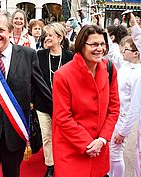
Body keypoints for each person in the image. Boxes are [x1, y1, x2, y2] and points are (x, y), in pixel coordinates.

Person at [0, 7, 52, 177]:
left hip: (15, 132)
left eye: (0, 30)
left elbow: (42, 90)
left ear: (11, 31)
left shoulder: (28, 55)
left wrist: (59, 115)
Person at [52, 25, 120, 177]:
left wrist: (102, 140)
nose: (100, 49)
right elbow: (63, 118)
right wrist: (88, 144)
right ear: (81, 45)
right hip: (71, 149)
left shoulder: (109, 69)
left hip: (99, 149)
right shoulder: (63, 75)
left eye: (102, 44)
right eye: (94, 44)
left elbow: (114, 108)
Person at [33, 22, 74, 177]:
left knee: (64, 137)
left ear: (60, 37)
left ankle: (64, 161)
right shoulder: (39, 55)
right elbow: (34, 80)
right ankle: (50, 165)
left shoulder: (71, 57)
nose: (46, 38)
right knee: (47, 137)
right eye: (46, 35)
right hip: (42, 104)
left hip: (65, 106)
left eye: (50, 35)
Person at [108, 35, 141, 177]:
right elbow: (112, 53)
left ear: (136, 53)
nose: (122, 51)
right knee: (111, 152)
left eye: (125, 49)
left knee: (116, 153)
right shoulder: (126, 65)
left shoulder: (138, 75)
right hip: (114, 115)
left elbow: (135, 107)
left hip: (123, 119)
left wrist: (123, 131)